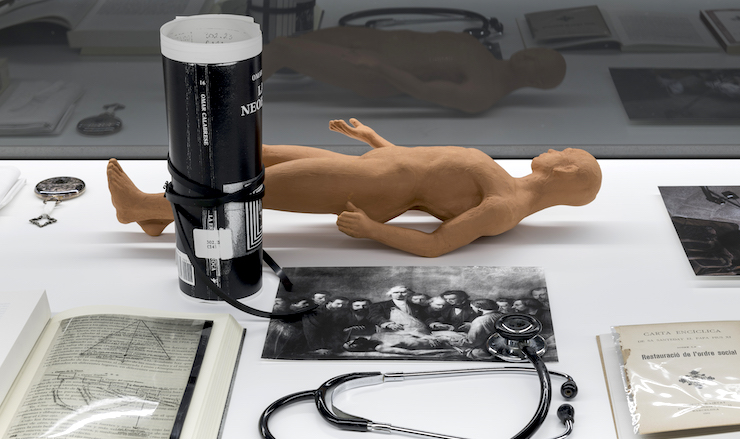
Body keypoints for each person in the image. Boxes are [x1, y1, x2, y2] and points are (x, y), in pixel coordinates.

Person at [107, 118, 602, 258]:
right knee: (263, 154)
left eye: (566, 154)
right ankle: (157, 217)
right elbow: (426, 167)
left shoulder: (503, 207)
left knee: (256, 188)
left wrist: (372, 229)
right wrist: (374, 140)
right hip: (373, 166)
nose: (556, 149)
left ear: (564, 173)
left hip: (373, 189)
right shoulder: (505, 183)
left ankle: (141, 206)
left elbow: (436, 245)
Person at [263, 26, 566, 113]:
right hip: (370, 40)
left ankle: (236, 97)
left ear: (538, 82)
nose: (528, 54)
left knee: (282, 49)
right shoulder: (482, 54)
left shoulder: (483, 92)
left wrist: (376, 65)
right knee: (287, 45)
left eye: (535, 61)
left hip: (368, 67)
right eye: (535, 51)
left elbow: (422, 90)